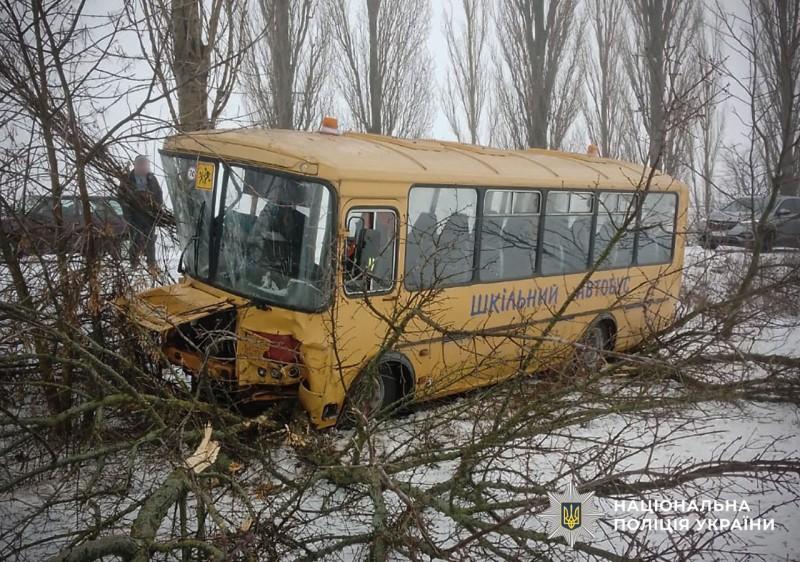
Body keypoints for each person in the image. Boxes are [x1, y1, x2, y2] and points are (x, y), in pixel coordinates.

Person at [122, 155, 163, 269]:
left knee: (150, 241)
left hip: (149, 216)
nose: (144, 168)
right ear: (136, 165)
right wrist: (127, 212)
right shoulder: (128, 179)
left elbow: (159, 194)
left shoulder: (151, 179)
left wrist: (157, 209)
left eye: (146, 165)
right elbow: (121, 196)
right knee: (135, 239)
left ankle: (151, 264)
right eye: (142, 165)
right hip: (134, 216)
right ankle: (134, 264)